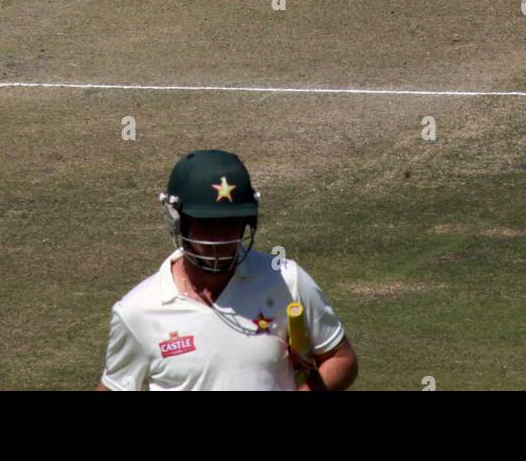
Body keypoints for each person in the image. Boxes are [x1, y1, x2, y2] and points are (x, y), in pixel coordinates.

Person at [97, 150, 357, 392]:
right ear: (177, 220)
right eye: (206, 224)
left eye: (230, 223)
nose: (220, 237)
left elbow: (341, 359)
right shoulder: (137, 311)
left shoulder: (286, 280)